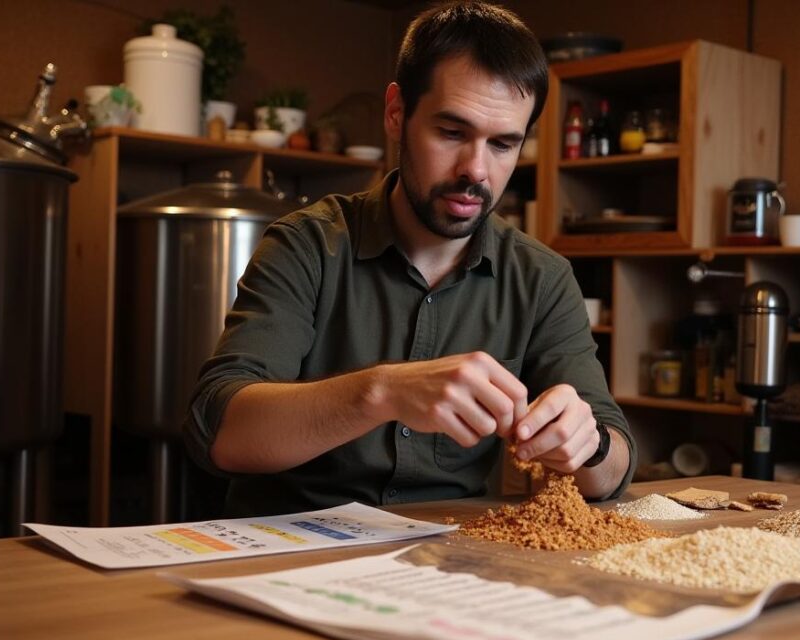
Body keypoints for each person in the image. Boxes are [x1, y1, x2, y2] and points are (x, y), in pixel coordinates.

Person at [185, 0, 635, 517]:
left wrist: (589, 444)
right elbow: (217, 431)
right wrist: (381, 392)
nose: (477, 171)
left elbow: (613, 466)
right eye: (452, 133)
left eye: (504, 144)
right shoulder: (307, 245)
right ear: (396, 114)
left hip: (443, 563)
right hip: (286, 550)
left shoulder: (542, 278)